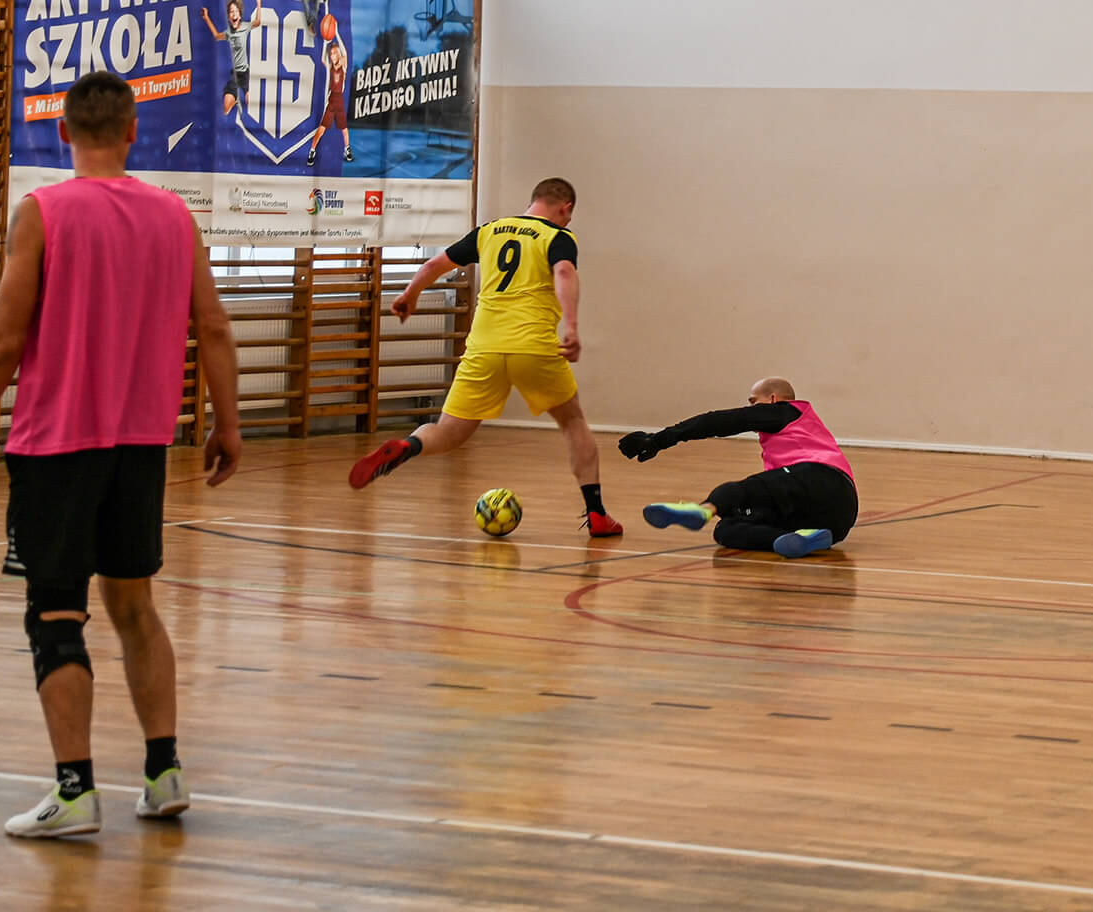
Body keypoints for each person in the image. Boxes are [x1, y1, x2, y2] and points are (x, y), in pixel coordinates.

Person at [0, 71, 243, 839]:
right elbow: (215, 327)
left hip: (55, 444)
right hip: (140, 443)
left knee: (55, 613)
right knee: (134, 605)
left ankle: (76, 790)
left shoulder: (43, 212)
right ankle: (164, 770)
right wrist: (228, 422)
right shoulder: (173, 214)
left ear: (63, 132)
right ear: (131, 130)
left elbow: (5, 334)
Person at [348, 178, 621, 536]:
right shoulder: (558, 236)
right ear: (565, 207)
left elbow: (435, 264)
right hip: (533, 346)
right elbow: (564, 271)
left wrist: (410, 294)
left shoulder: (488, 231)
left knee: (448, 432)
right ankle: (597, 514)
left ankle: (409, 444)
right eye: (569, 215)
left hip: (483, 347)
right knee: (572, 422)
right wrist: (571, 326)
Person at [621, 377, 856, 559]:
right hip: (837, 519)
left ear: (773, 399)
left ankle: (703, 510)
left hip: (822, 479)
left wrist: (659, 440)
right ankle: (796, 539)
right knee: (726, 529)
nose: (749, 407)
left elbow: (719, 421)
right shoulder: (800, 427)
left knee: (740, 491)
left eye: (753, 401)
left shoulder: (786, 410)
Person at [201, 0, 265, 119]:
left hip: (245, 73)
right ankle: (234, 100)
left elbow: (257, 22)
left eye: (236, 11)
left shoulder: (245, 27)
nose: (234, 14)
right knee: (225, 108)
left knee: (251, 103)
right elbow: (217, 36)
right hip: (234, 74)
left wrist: (258, 3)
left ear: (240, 16)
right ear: (229, 17)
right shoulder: (229, 33)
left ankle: (245, 103)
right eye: (231, 12)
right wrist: (206, 18)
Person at [307, 35, 351, 166]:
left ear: (339, 55)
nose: (333, 55)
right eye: (331, 53)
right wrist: (326, 44)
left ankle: (347, 149)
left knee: (344, 128)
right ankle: (312, 151)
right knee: (321, 129)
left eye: (335, 53)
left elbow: (345, 53)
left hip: (339, 99)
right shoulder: (330, 67)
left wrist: (336, 33)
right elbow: (322, 59)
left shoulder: (343, 67)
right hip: (331, 100)